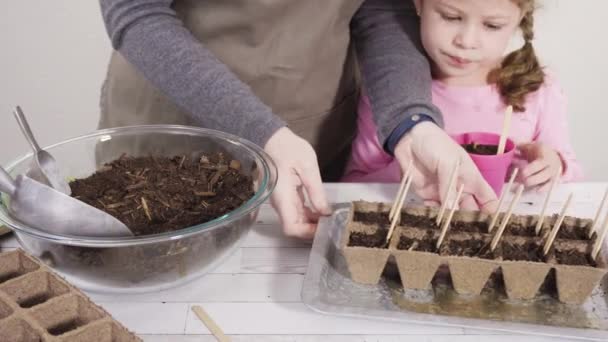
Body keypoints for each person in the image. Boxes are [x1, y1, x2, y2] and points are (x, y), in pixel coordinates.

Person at [98, 0, 498, 239]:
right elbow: (138, 13)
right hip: (173, 133)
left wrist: (412, 122)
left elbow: (380, 8)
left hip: (311, 138)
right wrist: (264, 133)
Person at [344, 0, 583, 193]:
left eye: (492, 25)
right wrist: (409, 168)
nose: (466, 41)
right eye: (450, 17)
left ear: (519, 19)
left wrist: (554, 165)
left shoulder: (538, 89)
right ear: (418, 4)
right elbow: (353, 185)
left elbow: (571, 173)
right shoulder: (391, 92)